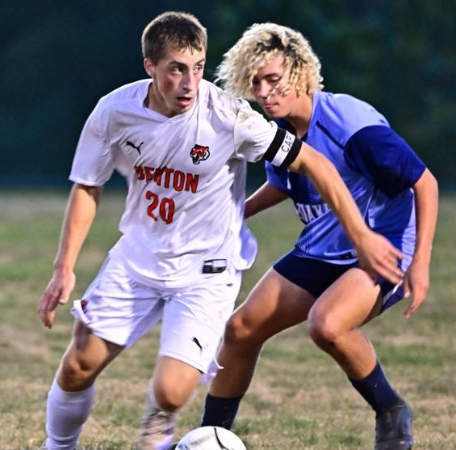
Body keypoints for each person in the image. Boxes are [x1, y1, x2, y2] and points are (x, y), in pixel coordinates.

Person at [37, 12, 405, 450]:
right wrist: (64, 267)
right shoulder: (113, 112)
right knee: (78, 364)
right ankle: (56, 447)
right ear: (149, 67)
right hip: (137, 258)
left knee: (172, 392)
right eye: (176, 69)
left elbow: (315, 163)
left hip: (205, 272)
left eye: (197, 67)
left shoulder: (229, 117)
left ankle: (162, 426)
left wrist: (361, 235)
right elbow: (87, 187)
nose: (190, 82)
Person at [199, 23, 439, 450]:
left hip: (380, 248)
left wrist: (419, 263)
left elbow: (425, 182)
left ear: (302, 73)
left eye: (273, 79)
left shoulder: (351, 123)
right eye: (255, 83)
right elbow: (282, 183)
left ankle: (391, 411)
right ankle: (212, 439)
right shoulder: (280, 130)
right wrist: (235, 212)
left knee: (327, 325)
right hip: (322, 248)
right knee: (239, 330)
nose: (265, 92)